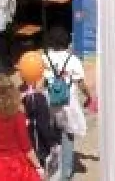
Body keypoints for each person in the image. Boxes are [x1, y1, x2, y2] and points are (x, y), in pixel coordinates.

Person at [42, 26, 92, 181]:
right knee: (67, 136)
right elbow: (81, 83)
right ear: (67, 43)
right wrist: (89, 96)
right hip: (68, 104)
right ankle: (65, 173)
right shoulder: (73, 60)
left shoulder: (44, 58)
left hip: (49, 102)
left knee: (53, 136)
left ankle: (53, 169)